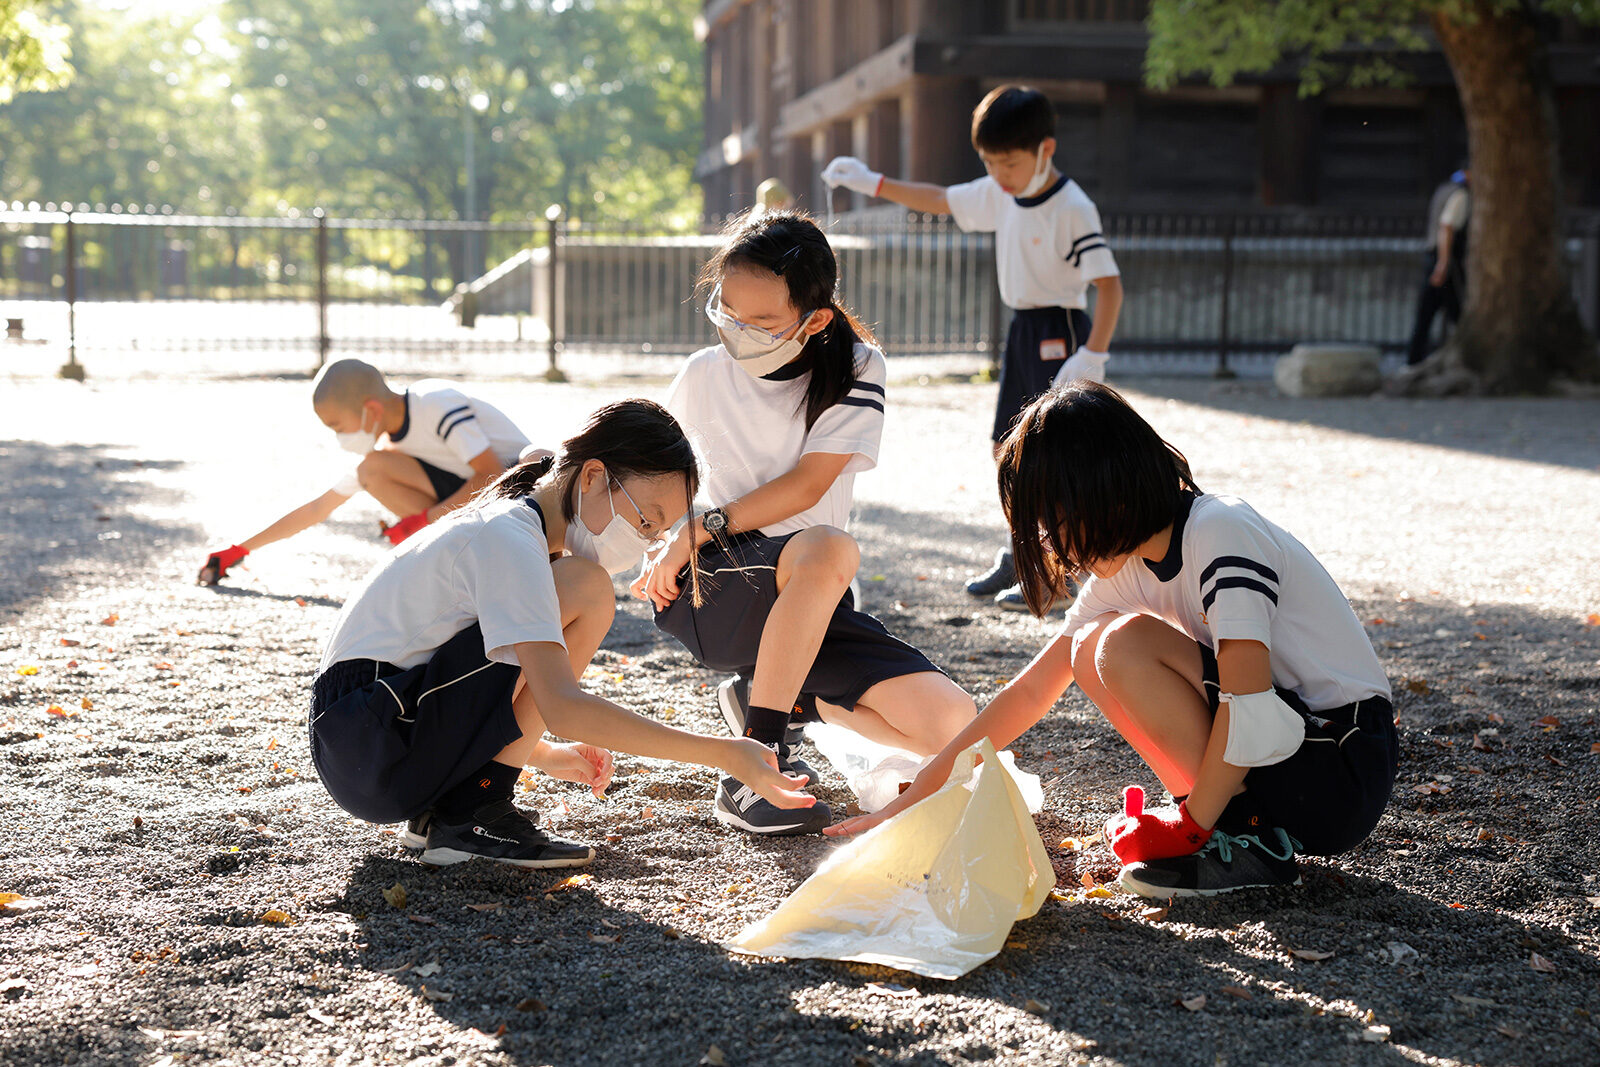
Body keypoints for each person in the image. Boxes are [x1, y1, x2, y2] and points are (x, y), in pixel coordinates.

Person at [828, 383, 1398, 899]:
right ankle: (1230, 826)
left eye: (1057, 522)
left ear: (1108, 492)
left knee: (1121, 644)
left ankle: (1238, 835)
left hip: (1340, 761)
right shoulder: (1126, 566)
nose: (1056, 545)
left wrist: (1190, 827)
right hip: (1290, 750)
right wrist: (917, 795)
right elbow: (1029, 695)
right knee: (1087, 649)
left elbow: (1249, 704)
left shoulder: (1221, 531)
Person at [309, 399, 815, 868]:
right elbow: (563, 707)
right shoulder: (509, 536)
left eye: (656, 536)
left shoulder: (514, 527)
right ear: (593, 476)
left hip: (364, 737)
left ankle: (450, 809)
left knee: (579, 588)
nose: (644, 541)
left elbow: (455, 667)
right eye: (646, 521)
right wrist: (725, 751)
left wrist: (544, 755)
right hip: (370, 733)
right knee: (587, 590)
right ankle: (472, 809)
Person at [633, 210, 976, 836]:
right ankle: (756, 763)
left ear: (815, 319)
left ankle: (787, 698)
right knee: (829, 548)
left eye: (761, 322)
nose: (738, 331)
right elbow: (644, 481)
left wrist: (701, 525)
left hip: (806, 598)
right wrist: (669, 543)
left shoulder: (854, 366)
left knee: (959, 724)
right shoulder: (700, 375)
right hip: (715, 587)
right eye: (727, 310)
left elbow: (809, 483)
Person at [822, 85, 1124, 612]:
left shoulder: (1072, 207)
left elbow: (1110, 285)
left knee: (1059, 451)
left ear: (1045, 150)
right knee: (1007, 449)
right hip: (1023, 329)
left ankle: (1065, 567)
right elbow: (941, 200)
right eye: (989, 162)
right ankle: (1023, 553)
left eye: (1008, 162)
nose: (998, 174)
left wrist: (1093, 353)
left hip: (1062, 329)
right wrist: (874, 182)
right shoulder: (1001, 192)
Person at [197, 358, 545, 584]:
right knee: (372, 470)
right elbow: (318, 508)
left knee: (376, 468)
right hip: (486, 504)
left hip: (527, 496)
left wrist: (424, 521)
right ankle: (471, 562)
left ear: (371, 409)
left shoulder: (435, 404)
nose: (338, 436)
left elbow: (489, 473)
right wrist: (239, 550)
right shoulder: (387, 445)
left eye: (337, 425)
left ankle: (486, 560)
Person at [1407, 167, 1471, 365]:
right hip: (1447, 262)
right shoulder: (1460, 194)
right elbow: (1447, 226)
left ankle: (1414, 359)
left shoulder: (1444, 189)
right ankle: (1467, 358)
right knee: (1459, 313)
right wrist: (1444, 263)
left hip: (1433, 258)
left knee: (1426, 313)